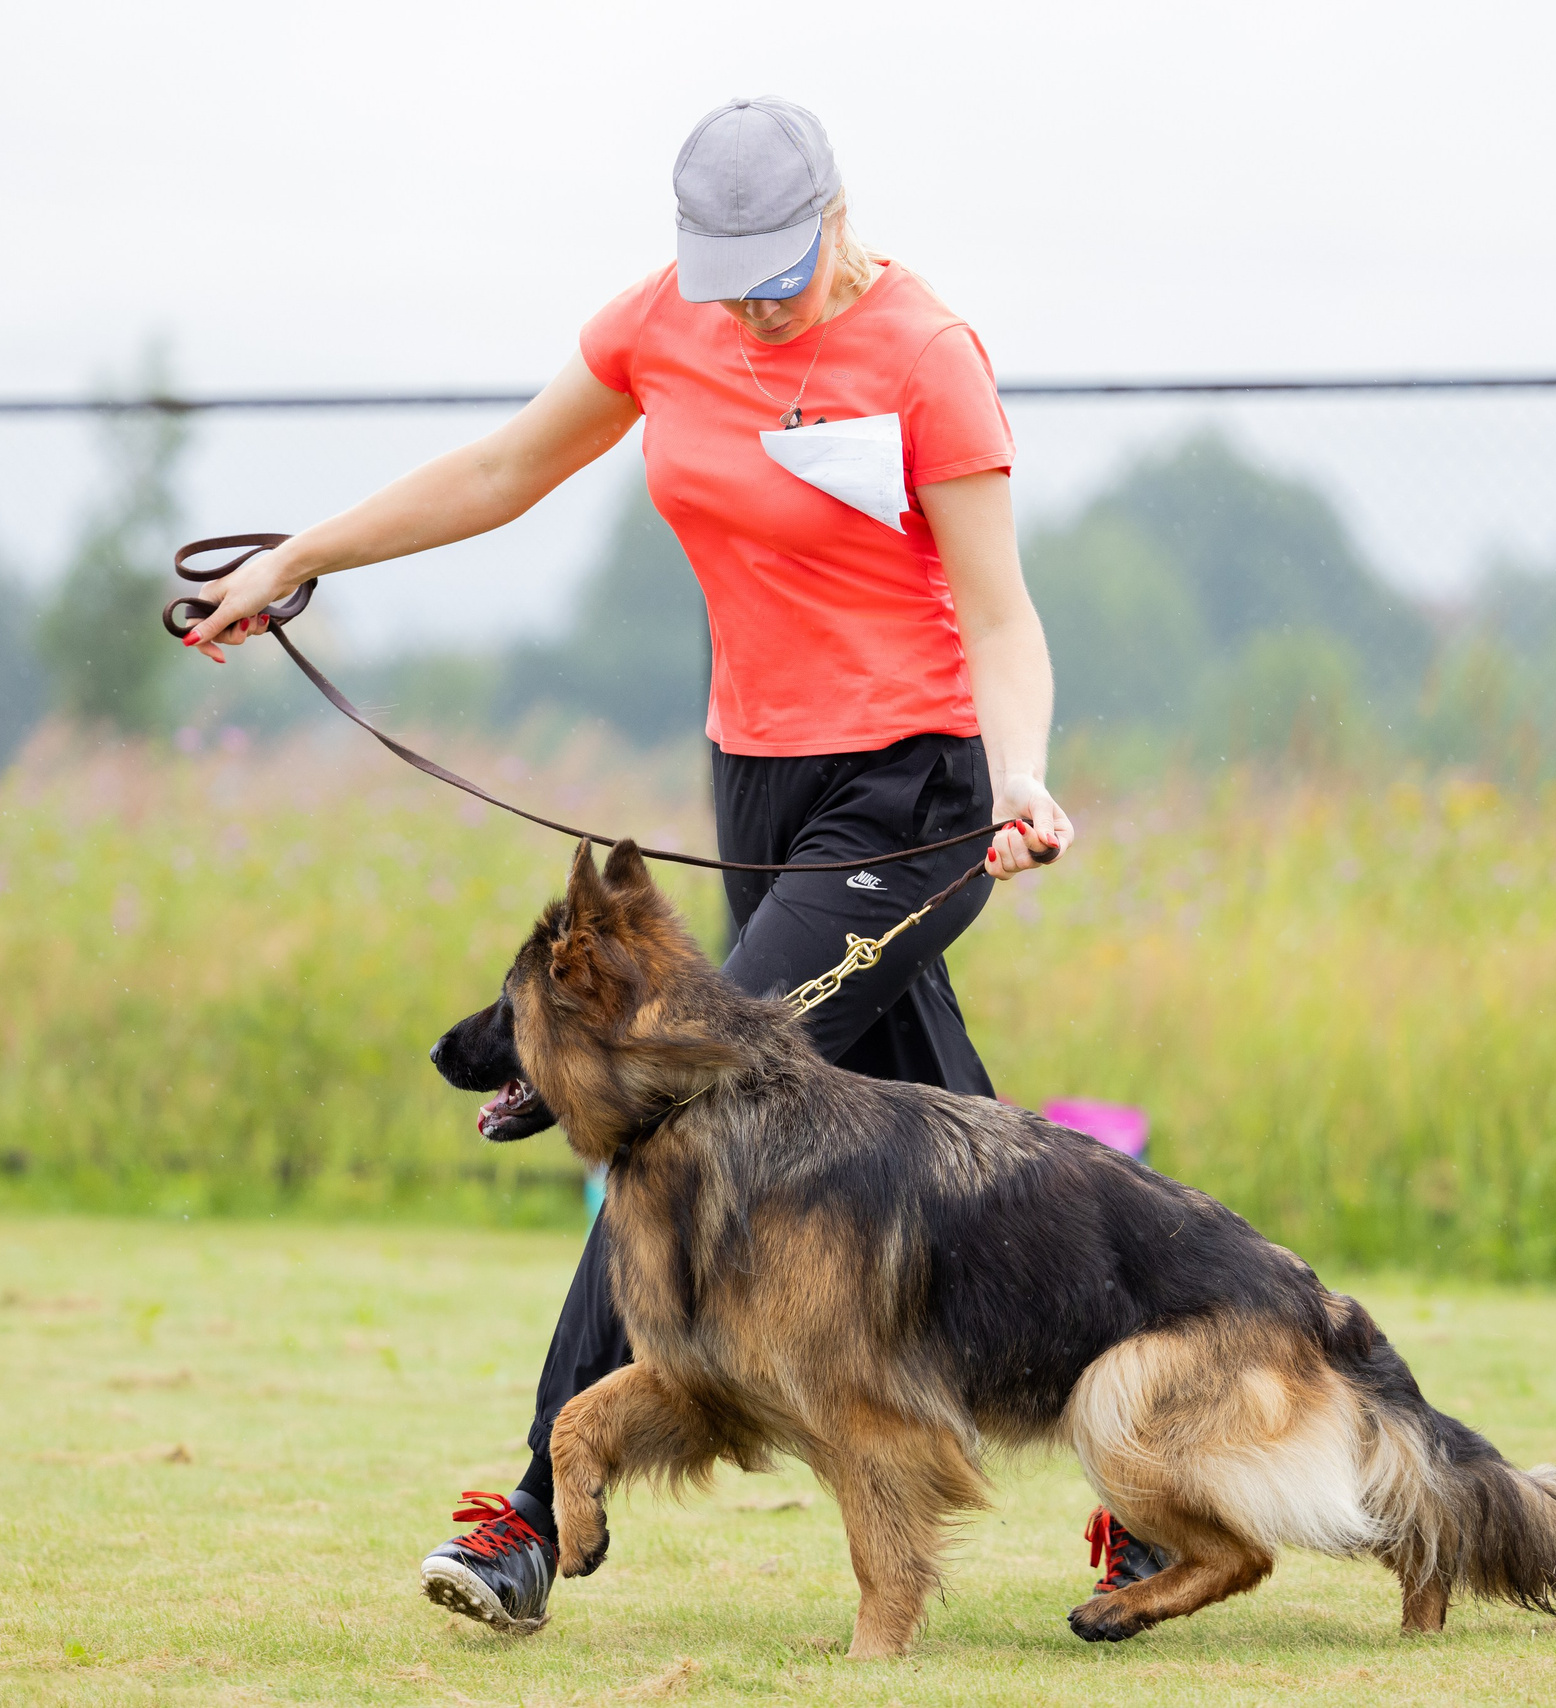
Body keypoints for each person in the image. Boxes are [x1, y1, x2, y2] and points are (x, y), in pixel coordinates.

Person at [180, 95, 1165, 1633]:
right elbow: (504, 470)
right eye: (729, 280)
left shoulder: (925, 355)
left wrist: (1020, 773)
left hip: (909, 796)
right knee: (953, 1132)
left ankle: (528, 1511)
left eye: (778, 275)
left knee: (671, 1099)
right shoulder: (661, 322)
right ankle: (1156, 1461)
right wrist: (301, 557)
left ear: (835, 219)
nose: (753, 308)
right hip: (756, 785)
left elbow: (998, 612)